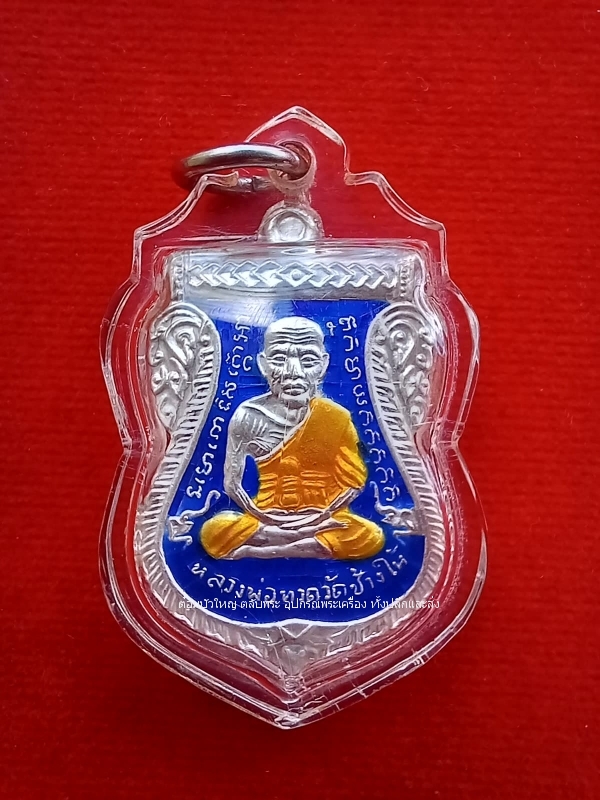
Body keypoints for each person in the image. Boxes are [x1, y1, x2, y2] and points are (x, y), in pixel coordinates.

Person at [200, 316, 384, 560]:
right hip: (267, 515)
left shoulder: (335, 417)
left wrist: (320, 516)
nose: (293, 372)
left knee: (370, 536)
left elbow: (354, 484)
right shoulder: (248, 416)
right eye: (279, 359)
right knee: (213, 530)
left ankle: (267, 549)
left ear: (323, 365)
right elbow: (232, 485)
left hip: (323, 516)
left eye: (308, 360)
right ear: (263, 365)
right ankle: (299, 540)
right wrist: (265, 517)